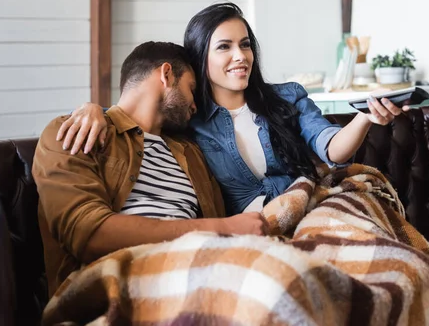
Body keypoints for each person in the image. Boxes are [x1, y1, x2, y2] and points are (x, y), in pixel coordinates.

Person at [61, 2, 408, 216]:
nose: (240, 56)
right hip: (252, 234)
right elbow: (133, 115)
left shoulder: (287, 97)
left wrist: (365, 116)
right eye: (224, 47)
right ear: (202, 59)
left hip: (311, 210)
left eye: (244, 45)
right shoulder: (189, 120)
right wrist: (93, 109)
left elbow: (331, 147)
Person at [33, 41, 267, 295]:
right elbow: (88, 234)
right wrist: (223, 229)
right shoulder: (75, 132)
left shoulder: (191, 151)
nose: (194, 105)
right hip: (115, 286)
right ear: (166, 75)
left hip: (202, 273)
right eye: (191, 88)